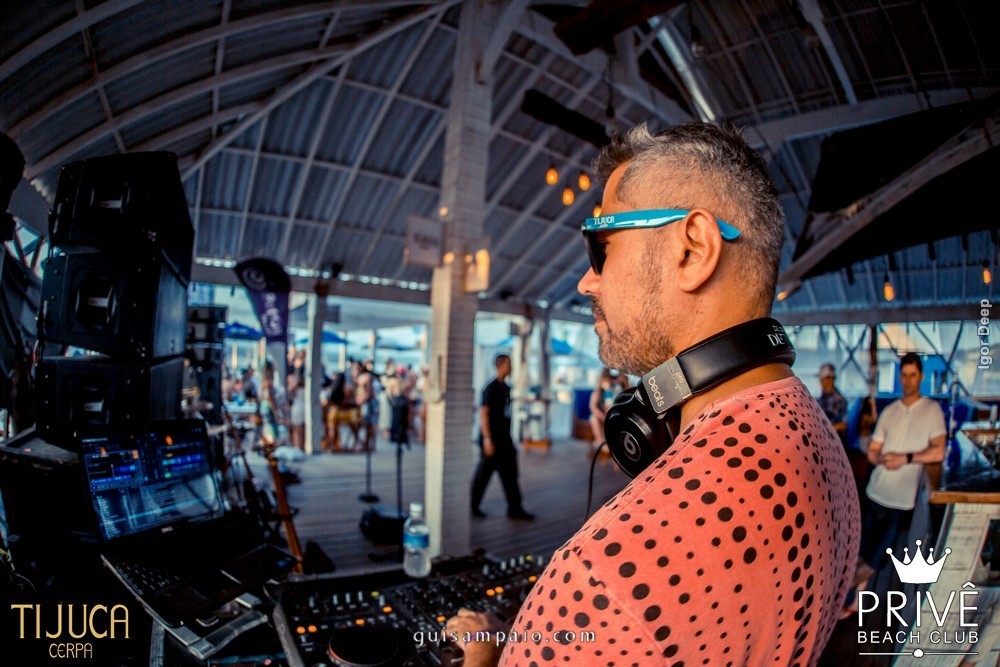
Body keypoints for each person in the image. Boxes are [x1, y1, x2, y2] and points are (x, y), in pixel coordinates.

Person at [447, 122, 860, 666]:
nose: (586, 281)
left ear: (692, 250)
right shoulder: (823, 450)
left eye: (601, 246)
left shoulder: (605, 580)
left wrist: (489, 659)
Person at [854, 352, 946, 592]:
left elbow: (938, 452)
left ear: (921, 377)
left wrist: (906, 458)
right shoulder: (890, 411)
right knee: (862, 551)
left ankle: (842, 590)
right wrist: (879, 458)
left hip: (901, 501)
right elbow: (873, 450)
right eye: (904, 375)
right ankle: (855, 599)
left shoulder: (932, 410)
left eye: (912, 375)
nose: (908, 381)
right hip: (875, 492)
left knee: (877, 559)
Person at [470, 354, 533, 521]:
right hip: (493, 440)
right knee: (483, 475)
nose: (511, 367)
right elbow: (484, 414)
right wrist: (487, 440)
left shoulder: (506, 388)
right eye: (509, 364)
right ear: (501, 366)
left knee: (511, 475)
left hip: (505, 440)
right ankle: (473, 506)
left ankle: (515, 509)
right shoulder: (490, 388)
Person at [816, 362, 848, 446]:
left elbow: (843, 425)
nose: (821, 382)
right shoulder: (821, 398)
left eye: (823, 379)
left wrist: (824, 431)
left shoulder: (840, 400)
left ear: (831, 379)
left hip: (835, 443)